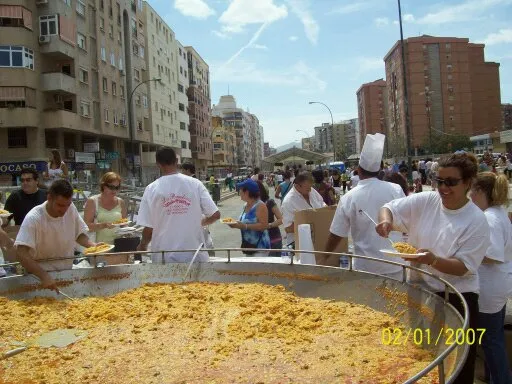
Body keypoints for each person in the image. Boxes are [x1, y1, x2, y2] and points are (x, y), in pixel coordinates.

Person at [376, 152, 490, 384]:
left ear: (467, 183)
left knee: (456, 364)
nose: (444, 188)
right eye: (440, 182)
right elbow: (388, 207)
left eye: (451, 182)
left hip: (457, 297)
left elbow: (463, 267)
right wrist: (386, 221)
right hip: (420, 291)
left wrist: (432, 260)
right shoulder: (428, 200)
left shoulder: (476, 220)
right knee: (421, 357)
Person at [326, 133, 405, 276]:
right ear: (379, 170)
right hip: (396, 266)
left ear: (359, 169)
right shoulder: (396, 189)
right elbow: (408, 222)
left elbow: (336, 234)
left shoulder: (349, 197)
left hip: (366, 268)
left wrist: (323, 257)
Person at [136, 148, 220, 262]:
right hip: (195, 256)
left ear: (158, 164)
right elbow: (215, 214)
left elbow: (149, 227)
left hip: (164, 258)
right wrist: (199, 222)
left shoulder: (151, 189)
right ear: (176, 161)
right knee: (200, 281)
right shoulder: (195, 184)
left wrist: (143, 245)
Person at [14, 180, 97, 291]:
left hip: (66, 271)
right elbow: (21, 252)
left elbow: (78, 234)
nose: (64, 209)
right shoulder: (34, 218)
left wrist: (92, 246)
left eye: (67, 205)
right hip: (39, 277)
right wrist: (44, 276)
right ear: (49, 198)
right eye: (60, 205)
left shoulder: (70, 208)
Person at [469, 172, 512, 384]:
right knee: (491, 338)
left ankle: (502, 379)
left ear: (479, 191)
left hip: (490, 286)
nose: (469, 196)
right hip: (498, 284)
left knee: (491, 341)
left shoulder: (489, 218)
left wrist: (465, 252)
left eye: (471, 191)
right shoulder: (497, 212)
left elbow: (492, 256)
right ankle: (491, 376)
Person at [83, 172, 128, 265]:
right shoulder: (92, 201)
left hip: (118, 247)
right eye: (111, 187)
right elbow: (86, 226)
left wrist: (128, 230)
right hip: (99, 248)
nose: (114, 190)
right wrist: (103, 225)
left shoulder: (121, 202)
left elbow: (124, 223)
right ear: (103, 185)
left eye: (117, 187)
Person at [281, 171, 326, 247]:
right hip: (299, 244)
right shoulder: (288, 201)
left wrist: (326, 209)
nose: (310, 190)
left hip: (318, 240)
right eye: (307, 189)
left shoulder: (311, 190)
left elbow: (322, 203)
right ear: (297, 186)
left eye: (311, 187)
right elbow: (288, 228)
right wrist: (310, 222)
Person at [228, 179, 270, 256]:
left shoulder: (260, 205)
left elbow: (264, 225)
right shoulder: (245, 205)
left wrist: (245, 226)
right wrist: (236, 224)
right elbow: (245, 222)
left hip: (260, 248)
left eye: (240, 190)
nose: (239, 192)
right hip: (249, 246)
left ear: (246, 192)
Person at [258, 181, 283, 256]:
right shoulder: (251, 205)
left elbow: (281, 219)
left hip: (273, 240)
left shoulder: (269, 202)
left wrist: (269, 225)